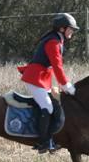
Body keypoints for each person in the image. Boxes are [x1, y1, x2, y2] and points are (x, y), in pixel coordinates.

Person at [17, 13, 80, 153]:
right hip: (35, 77)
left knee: (54, 105)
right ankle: (43, 142)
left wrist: (57, 85)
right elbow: (57, 67)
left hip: (42, 78)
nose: (73, 31)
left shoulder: (57, 40)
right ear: (62, 28)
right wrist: (66, 85)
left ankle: (50, 139)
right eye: (71, 28)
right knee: (48, 107)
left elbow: (53, 68)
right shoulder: (54, 42)